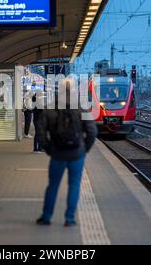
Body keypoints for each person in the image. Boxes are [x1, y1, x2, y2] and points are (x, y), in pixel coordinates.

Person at [35, 81, 97, 226]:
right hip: (77, 154)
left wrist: (48, 148)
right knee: (74, 185)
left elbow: (40, 131)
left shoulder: (50, 108)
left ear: (59, 90)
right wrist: (84, 149)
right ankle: (69, 219)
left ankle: (46, 217)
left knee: (53, 185)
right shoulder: (81, 108)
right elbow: (92, 131)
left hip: (57, 153)